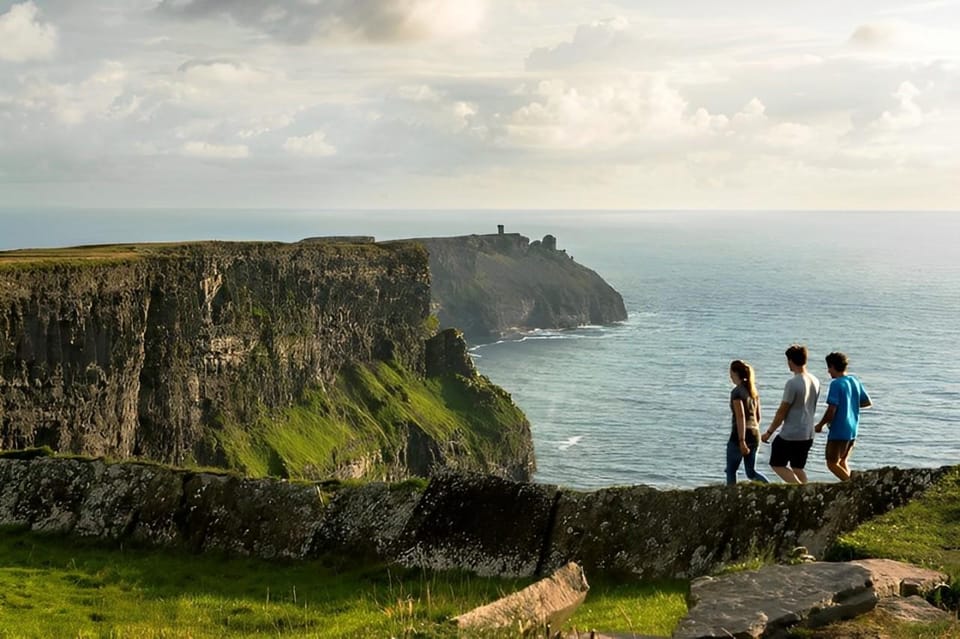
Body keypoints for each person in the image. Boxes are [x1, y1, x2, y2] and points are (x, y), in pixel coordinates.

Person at [761, 345, 820, 483]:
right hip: (808, 432)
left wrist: (769, 432)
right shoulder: (815, 380)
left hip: (791, 433)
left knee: (777, 463)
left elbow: (782, 411)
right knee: (797, 466)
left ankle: (798, 490)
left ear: (791, 361)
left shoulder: (793, 383)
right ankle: (806, 492)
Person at [814, 352, 872, 481]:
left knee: (831, 463)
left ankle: (853, 488)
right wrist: (850, 405)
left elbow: (831, 410)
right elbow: (867, 402)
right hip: (852, 429)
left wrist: (820, 425)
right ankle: (853, 485)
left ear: (833, 367)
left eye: (829, 368)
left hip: (839, 430)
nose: (828, 371)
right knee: (842, 462)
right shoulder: (854, 380)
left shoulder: (836, 384)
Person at [726, 360, 769, 485]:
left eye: (730, 372)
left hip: (740, 434)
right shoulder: (753, 392)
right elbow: (758, 417)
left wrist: (741, 440)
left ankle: (731, 497)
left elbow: (740, 416)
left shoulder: (737, 393)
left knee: (731, 470)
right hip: (754, 433)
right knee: (751, 472)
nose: (730, 376)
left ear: (735, 373)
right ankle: (768, 487)